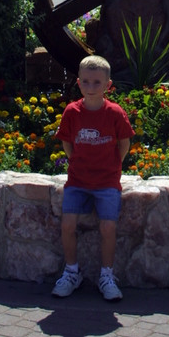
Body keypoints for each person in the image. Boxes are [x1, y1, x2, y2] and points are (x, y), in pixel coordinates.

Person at [52, 55, 134, 302]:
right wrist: (77, 162)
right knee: (68, 225)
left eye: (97, 82)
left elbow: (124, 143)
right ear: (78, 83)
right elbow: (67, 142)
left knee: (108, 227)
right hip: (78, 181)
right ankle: (71, 272)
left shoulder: (115, 113)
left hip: (107, 182)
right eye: (86, 81)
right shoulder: (72, 111)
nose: (90, 87)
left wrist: (113, 166)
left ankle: (107, 276)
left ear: (108, 85)